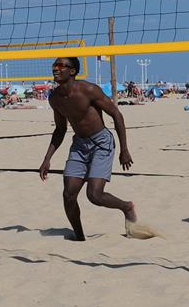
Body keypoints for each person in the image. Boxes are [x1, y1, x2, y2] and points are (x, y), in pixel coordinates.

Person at [38, 56, 139, 241]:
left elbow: (116, 114)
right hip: (79, 145)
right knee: (68, 194)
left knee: (94, 195)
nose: (56, 68)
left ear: (72, 71)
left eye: (61, 65)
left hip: (101, 142)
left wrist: (124, 149)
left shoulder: (88, 90)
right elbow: (60, 129)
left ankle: (127, 207)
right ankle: (80, 238)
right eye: (54, 65)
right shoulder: (55, 98)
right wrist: (47, 158)